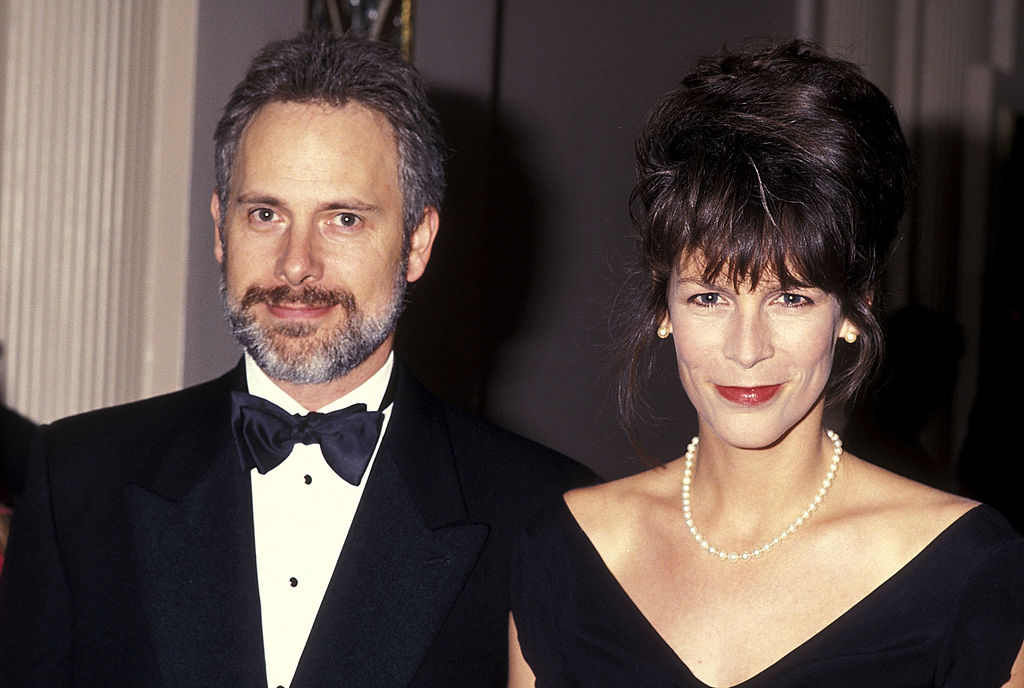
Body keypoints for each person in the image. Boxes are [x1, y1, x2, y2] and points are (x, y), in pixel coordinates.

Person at [0, 33, 591, 687]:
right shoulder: (78, 481)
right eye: (265, 214)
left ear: (417, 243)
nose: (296, 265)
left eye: (343, 220)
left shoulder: (550, 515)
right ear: (221, 226)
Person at [508, 41, 1024, 687]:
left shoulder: (968, 570)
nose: (746, 348)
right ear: (663, 305)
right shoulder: (564, 550)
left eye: (790, 297)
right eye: (708, 296)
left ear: (853, 312)